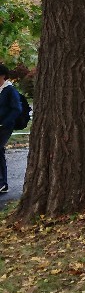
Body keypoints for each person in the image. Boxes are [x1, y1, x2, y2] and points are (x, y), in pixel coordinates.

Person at [0, 63, 22, 196]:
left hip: (5, 126)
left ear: (2, 76)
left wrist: (4, 123)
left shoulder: (10, 90)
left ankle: (3, 183)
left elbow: (17, 109)